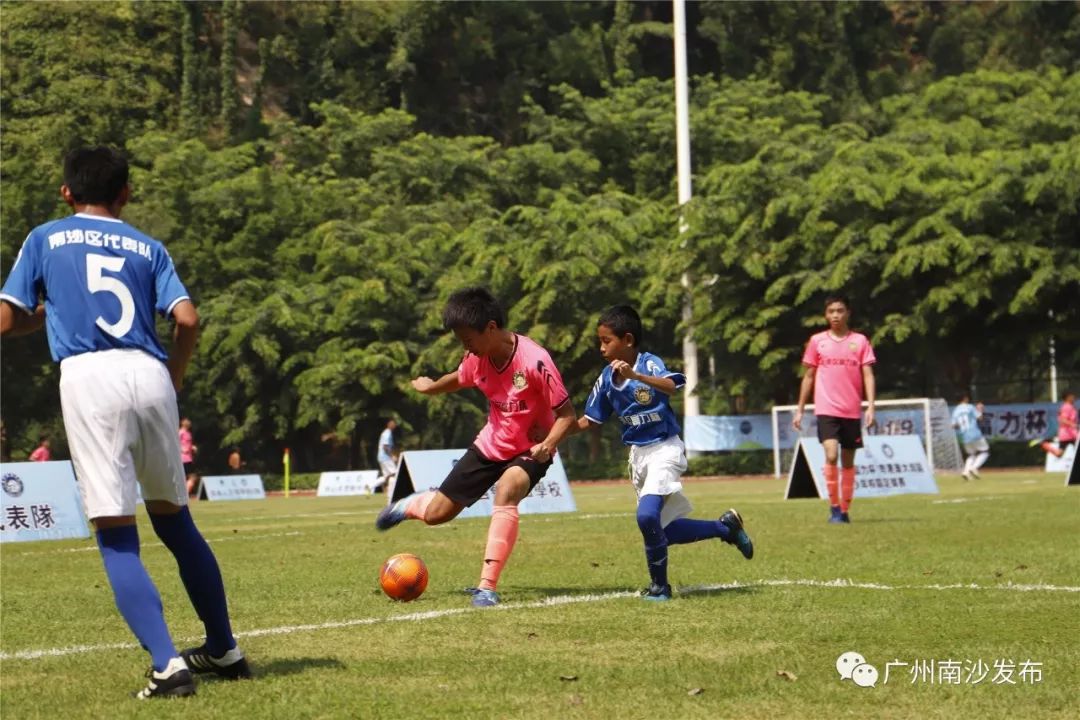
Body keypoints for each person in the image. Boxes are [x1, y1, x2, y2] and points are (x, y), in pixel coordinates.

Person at [0, 146, 250, 698]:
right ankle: (224, 647)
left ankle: (168, 666)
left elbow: (7, 316)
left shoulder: (46, 237)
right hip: (150, 373)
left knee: (116, 533)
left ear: (66, 192)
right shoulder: (147, 245)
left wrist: (47, 315)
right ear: (126, 193)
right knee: (176, 522)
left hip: (91, 378)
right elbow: (186, 317)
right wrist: (176, 375)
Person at [375, 287, 577, 607]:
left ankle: (487, 587)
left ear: (492, 328)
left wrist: (549, 444)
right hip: (490, 444)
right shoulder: (476, 358)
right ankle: (407, 506)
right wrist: (431, 389)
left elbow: (567, 415)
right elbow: (459, 377)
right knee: (437, 515)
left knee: (507, 490)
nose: (465, 346)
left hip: (531, 449)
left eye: (468, 338)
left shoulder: (536, 362)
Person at [570, 305, 753, 601]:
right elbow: (590, 420)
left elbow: (671, 386)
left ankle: (659, 588)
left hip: (665, 448)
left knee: (646, 517)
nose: (601, 348)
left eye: (606, 341)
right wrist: (553, 436)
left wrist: (636, 376)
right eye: (599, 342)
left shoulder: (648, 363)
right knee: (662, 529)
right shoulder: (605, 378)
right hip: (638, 457)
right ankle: (725, 529)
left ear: (627, 340)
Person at [793, 294, 876, 524]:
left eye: (840, 310)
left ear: (848, 313)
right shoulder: (817, 341)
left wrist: (870, 406)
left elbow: (868, 375)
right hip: (826, 409)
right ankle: (834, 508)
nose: (835, 315)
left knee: (848, 462)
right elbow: (808, 377)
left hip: (851, 411)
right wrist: (800, 409)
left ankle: (846, 509)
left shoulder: (859, 341)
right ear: (826, 315)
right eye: (831, 311)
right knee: (831, 454)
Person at [951, 394, 989, 480]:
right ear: (965, 398)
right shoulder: (970, 407)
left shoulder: (955, 411)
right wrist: (980, 409)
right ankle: (974, 467)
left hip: (964, 436)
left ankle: (966, 471)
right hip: (974, 433)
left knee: (971, 454)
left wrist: (961, 424)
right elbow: (980, 418)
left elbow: (953, 426)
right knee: (985, 452)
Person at [1031, 391, 1078, 459]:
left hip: (1069, 434)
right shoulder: (1067, 407)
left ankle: (1043, 444)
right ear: (1068, 397)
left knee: (1059, 454)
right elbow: (1062, 420)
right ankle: (1043, 443)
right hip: (1069, 434)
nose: (1074, 398)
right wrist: (1073, 425)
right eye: (1072, 396)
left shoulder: (1070, 406)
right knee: (1059, 454)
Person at [376, 418, 399, 498]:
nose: (394, 425)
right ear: (388, 424)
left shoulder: (386, 433)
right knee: (395, 473)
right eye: (393, 423)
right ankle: (391, 493)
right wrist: (392, 456)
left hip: (382, 457)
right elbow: (385, 446)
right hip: (385, 457)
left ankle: (369, 486)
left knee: (386, 476)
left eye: (395, 424)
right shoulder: (387, 433)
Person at [178, 417, 198, 496]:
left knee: (191, 478)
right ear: (182, 423)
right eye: (186, 421)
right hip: (183, 459)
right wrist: (182, 449)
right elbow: (175, 442)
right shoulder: (180, 432)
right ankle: (183, 495)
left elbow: (187, 444)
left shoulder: (188, 433)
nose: (188, 422)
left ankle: (184, 494)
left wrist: (192, 447)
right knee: (191, 477)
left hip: (189, 459)